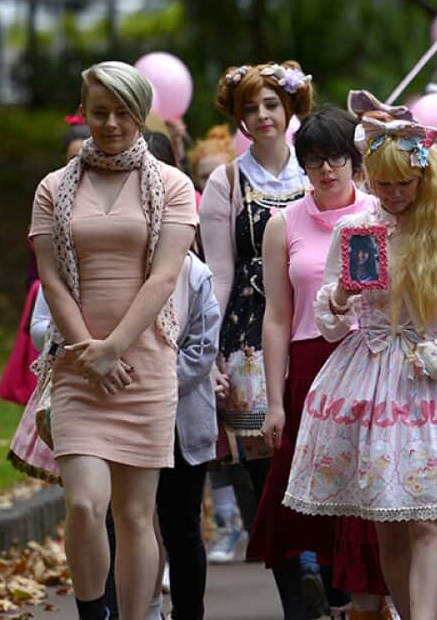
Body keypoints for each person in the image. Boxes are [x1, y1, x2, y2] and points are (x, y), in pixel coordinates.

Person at [283, 97, 437, 620]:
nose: (393, 195)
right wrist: (340, 296)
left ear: (423, 179)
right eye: (382, 185)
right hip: (371, 375)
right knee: (386, 518)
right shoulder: (356, 230)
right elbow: (333, 326)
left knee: (428, 520)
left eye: (403, 184)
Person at [28, 61, 198, 620]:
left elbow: (166, 276)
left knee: (134, 515)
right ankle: (91, 611)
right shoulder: (54, 187)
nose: (110, 124)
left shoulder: (171, 185)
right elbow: (50, 279)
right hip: (77, 365)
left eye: (122, 112)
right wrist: (89, 351)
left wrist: (115, 348)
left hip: (144, 366)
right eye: (98, 112)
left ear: (141, 114)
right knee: (83, 503)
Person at [249, 106, 388, 619]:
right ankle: (313, 597)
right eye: (313, 161)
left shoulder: (379, 212)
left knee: (367, 489)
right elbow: (277, 317)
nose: (326, 170)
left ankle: (365, 600)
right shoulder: (282, 223)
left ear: (354, 159)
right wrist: (273, 400)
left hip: (371, 361)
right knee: (307, 492)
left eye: (335, 158)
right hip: (309, 363)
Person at [31, 245, 220, 620]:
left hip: (179, 418)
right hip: (94, 395)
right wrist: (91, 359)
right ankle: (120, 611)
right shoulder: (78, 257)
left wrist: (149, 381)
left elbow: (202, 346)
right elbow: (41, 325)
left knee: (179, 525)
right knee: (111, 518)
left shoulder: (191, 271)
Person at [198, 62, 314, 589]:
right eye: (250, 107)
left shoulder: (319, 170)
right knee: (267, 463)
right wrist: (210, 352)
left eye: (270, 104)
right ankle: (296, 583)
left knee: (321, 448)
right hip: (248, 333)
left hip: (315, 322)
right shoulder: (225, 181)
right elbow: (218, 273)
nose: (261, 115)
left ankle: (327, 576)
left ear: (290, 108)